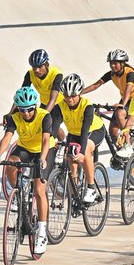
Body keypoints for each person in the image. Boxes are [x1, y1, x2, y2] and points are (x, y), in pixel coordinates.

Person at [0, 86, 51, 255]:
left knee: (39, 189)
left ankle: (42, 231)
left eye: (29, 110)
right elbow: (7, 137)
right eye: (22, 110)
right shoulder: (14, 117)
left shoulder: (44, 116)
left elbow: (46, 140)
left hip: (43, 150)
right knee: (11, 163)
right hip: (25, 148)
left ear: (35, 107)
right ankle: (18, 194)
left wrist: (42, 159)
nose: (26, 113)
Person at [50, 73, 107, 203]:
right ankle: (75, 192)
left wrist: (81, 152)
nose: (70, 99)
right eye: (66, 96)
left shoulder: (87, 106)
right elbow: (54, 127)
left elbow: (85, 129)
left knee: (85, 152)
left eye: (73, 96)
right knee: (71, 160)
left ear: (80, 94)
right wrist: (52, 142)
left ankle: (91, 188)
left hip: (93, 131)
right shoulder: (60, 106)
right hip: (74, 133)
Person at [82, 49, 134, 145]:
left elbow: (128, 91)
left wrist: (122, 105)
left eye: (115, 63)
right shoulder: (112, 74)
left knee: (119, 114)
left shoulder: (130, 73)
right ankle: (121, 151)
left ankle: (128, 143)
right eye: (111, 63)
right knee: (112, 130)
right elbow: (95, 85)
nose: (112, 65)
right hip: (125, 98)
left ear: (123, 63)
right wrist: (79, 93)